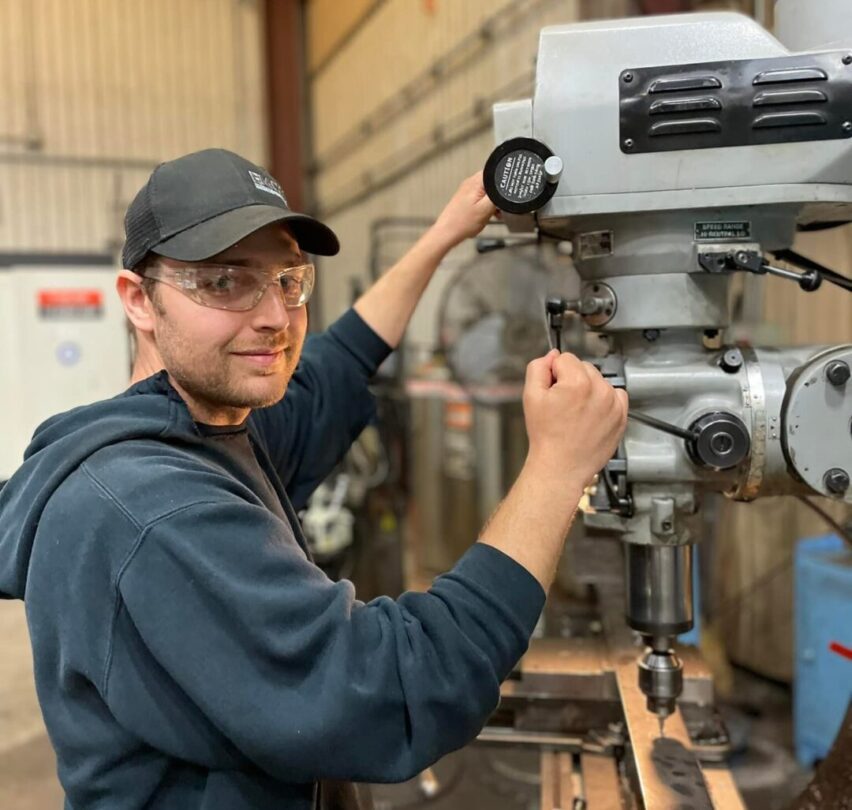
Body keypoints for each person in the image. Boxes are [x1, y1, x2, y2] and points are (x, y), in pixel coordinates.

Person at [0, 148, 627, 810]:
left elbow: (336, 365)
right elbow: (395, 691)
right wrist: (557, 468)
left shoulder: (210, 427)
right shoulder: (152, 511)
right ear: (139, 300)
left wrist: (443, 235)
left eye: (288, 280)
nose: (275, 316)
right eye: (224, 281)